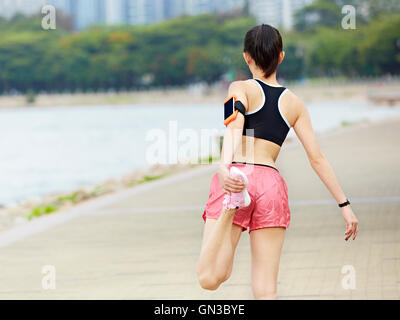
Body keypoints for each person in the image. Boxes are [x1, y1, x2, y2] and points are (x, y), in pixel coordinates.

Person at [196, 24, 359, 300]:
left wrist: (224, 168)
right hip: (271, 185)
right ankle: (233, 203)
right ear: (281, 56)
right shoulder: (295, 104)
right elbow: (316, 158)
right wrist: (345, 205)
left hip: (238, 176)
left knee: (210, 278)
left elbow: (234, 126)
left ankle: (230, 208)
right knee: (266, 290)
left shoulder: (239, 87)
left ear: (246, 57)